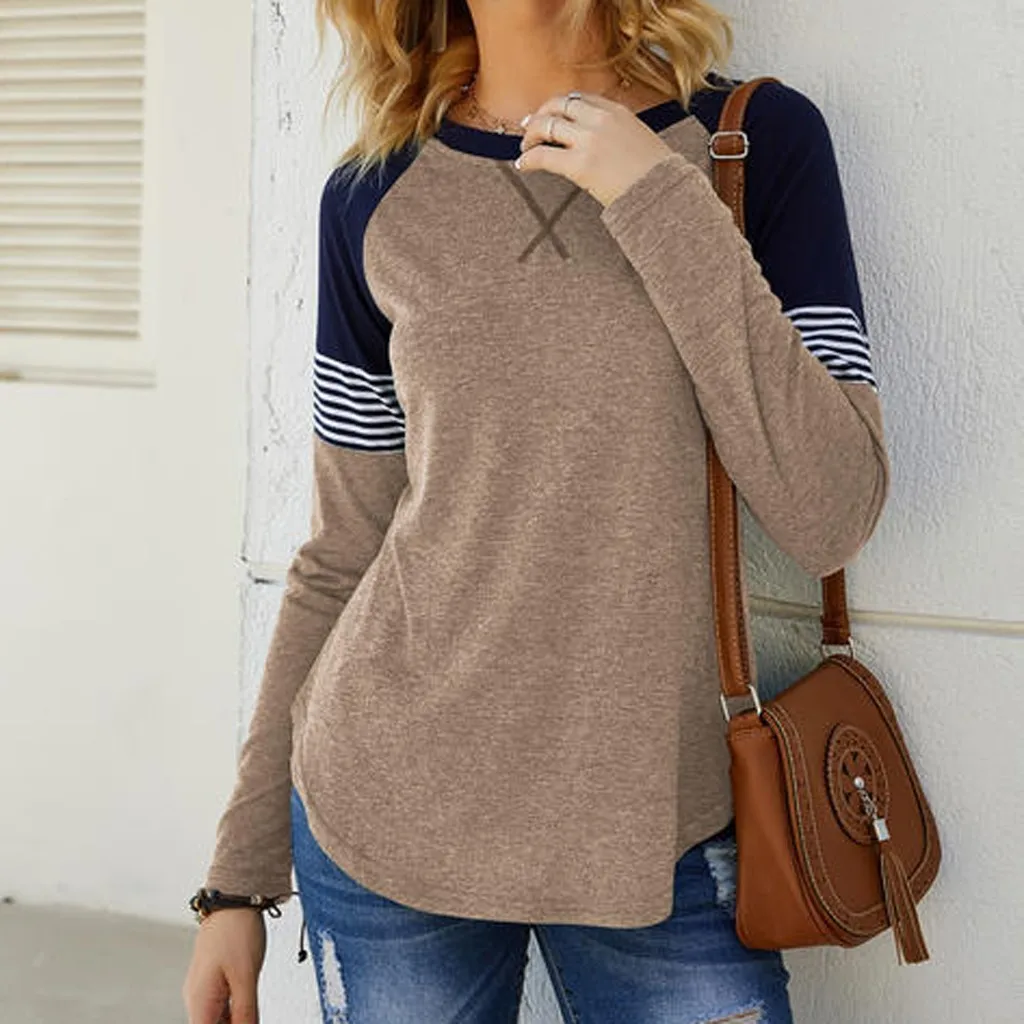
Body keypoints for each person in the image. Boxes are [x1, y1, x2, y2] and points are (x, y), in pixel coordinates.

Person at [182, 0, 890, 1017]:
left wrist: (653, 194)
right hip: (387, 822)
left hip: (661, 833)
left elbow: (833, 510)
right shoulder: (372, 195)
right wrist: (238, 878)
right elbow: (342, 550)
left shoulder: (753, 142)